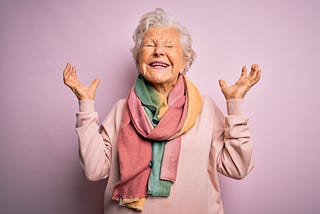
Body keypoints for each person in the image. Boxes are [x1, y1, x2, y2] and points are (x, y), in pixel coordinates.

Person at [63, 8, 261, 214]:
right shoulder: (121, 111)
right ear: (140, 60)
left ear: (184, 61)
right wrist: (85, 104)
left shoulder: (205, 109)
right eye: (149, 45)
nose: (158, 51)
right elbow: (94, 171)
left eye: (169, 45)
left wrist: (235, 104)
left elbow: (238, 168)